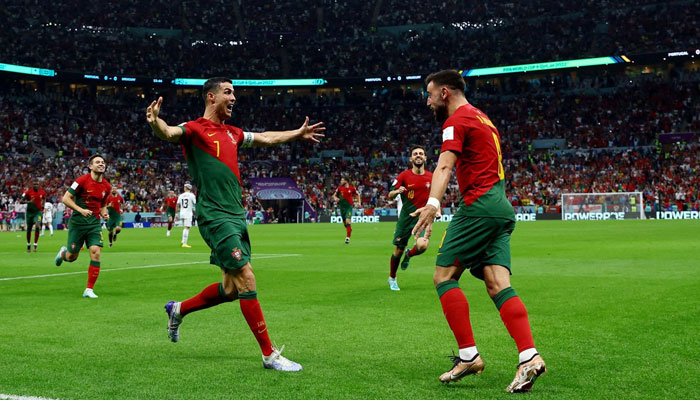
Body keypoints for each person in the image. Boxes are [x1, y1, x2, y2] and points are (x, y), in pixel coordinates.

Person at [146, 77, 324, 371]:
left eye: (234, 93)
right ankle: (269, 354)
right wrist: (155, 122)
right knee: (246, 277)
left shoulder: (233, 133)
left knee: (230, 289)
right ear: (211, 97)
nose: (234, 98)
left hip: (236, 215)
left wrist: (297, 133)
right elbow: (167, 132)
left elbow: (266, 137)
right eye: (228, 92)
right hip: (215, 215)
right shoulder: (195, 130)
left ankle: (178, 309)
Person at [411, 70, 545, 392]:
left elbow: (444, 165)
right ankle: (529, 357)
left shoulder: (455, 121)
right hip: (501, 207)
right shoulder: (485, 119)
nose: (427, 102)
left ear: (445, 92)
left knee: (443, 277)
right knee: (497, 283)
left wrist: (432, 203)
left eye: (429, 95)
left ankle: (468, 355)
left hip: (480, 207)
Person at [54, 154, 111, 299]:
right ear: (90, 166)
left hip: (94, 224)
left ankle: (89, 289)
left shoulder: (107, 186)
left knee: (95, 252)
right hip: (78, 223)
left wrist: (105, 213)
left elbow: (103, 204)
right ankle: (63, 254)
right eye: (97, 162)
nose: (101, 164)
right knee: (72, 257)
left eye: (103, 162)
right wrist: (80, 210)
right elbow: (66, 198)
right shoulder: (81, 181)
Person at [386, 145, 433, 291]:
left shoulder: (432, 177)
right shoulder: (404, 176)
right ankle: (392, 278)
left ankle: (410, 254)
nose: (418, 155)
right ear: (411, 159)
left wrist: (436, 209)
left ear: (425, 158)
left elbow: (436, 196)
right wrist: (397, 191)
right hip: (406, 218)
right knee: (398, 250)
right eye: (415, 154)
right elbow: (389, 195)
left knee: (422, 246)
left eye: (421, 153)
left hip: (423, 218)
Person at [332, 177, 360, 244]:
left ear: (346, 181)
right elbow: (334, 195)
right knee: (345, 224)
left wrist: (359, 202)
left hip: (349, 207)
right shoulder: (339, 188)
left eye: (342, 180)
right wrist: (335, 198)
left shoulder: (352, 188)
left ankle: (347, 238)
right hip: (342, 208)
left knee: (347, 221)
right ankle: (349, 229)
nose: (341, 181)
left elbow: (358, 194)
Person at [22, 180, 47, 252]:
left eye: (37, 184)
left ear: (39, 185)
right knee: (29, 228)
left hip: (38, 212)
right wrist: (29, 202)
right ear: (32, 185)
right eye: (34, 184)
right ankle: (28, 244)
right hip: (29, 213)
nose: (36, 185)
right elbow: (21, 201)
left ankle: (35, 244)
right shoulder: (28, 192)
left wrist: (43, 206)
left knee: (37, 225)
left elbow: (44, 198)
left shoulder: (42, 192)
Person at [176, 182, 196, 248]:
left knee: (185, 227)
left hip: (182, 213)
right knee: (187, 228)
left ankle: (183, 240)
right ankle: (184, 243)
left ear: (186, 188)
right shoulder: (192, 195)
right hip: (188, 213)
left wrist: (176, 213)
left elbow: (177, 205)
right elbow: (195, 203)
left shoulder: (181, 195)